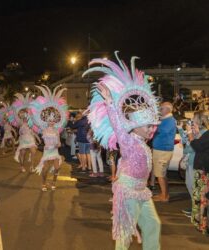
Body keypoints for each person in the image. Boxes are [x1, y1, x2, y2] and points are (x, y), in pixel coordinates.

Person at [85, 53, 161, 250]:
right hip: (128, 191)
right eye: (146, 126)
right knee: (125, 235)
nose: (150, 129)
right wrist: (110, 102)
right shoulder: (128, 140)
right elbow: (118, 126)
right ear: (134, 126)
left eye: (151, 126)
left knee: (153, 225)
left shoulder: (143, 143)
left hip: (142, 191)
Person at [30, 85, 68, 191]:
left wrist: (58, 144)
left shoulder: (57, 130)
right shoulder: (43, 129)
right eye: (49, 119)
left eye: (53, 120)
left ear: (55, 121)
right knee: (45, 169)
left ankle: (53, 182)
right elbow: (34, 121)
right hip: (47, 152)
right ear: (46, 120)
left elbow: (59, 143)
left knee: (57, 168)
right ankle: (43, 183)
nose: (51, 121)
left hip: (55, 151)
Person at [187, 112, 209, 234]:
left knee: (202, 198)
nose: (192, 123)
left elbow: (197, 147)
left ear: (199, 122)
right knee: (199, 197)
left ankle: (202, 224)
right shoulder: (204, 134)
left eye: (193, 120)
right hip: (201, 169)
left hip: (203, 171)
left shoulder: (207, 134)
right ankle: (199, 222)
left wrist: (190, 134)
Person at [151, 102, 176, 202]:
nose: (160, 110)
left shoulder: (169, 120)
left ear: (168, 110)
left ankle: (164, 197)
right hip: (161, 150)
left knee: (160, 175)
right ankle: (164, 194)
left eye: (161, 108)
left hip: (162, 150)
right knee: (162, 174)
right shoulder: (167, 120)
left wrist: (154, 126)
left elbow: (160, 131)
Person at [9, 93, 38, 173]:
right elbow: (15, 115)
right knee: (22, 153)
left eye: (26, 114)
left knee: (33, 151)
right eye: (23, 114)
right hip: (23, 139)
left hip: (31, 139)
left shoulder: (31, 122)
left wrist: (37, 138)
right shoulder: (20, 122)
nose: (24, 115)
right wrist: (14, 109)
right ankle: (21, 166)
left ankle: (32, 166)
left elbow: (34, 129)